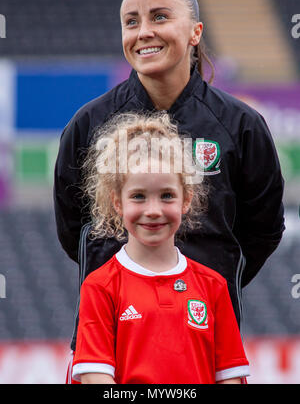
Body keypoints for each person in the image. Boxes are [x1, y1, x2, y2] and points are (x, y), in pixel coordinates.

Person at [53, 0, 285, 348]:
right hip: (112, 336)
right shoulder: (89, 125)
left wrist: (207, 280)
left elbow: (264, 229)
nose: (143, 31)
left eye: (160, 17)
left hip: (204, 331)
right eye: (131, 22)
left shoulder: (242, 126)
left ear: (195, 32)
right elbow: (73, 228)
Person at [69, 111, 250, 384]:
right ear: (117, 202)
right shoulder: (99, 286)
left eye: (167, 196)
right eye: (138, 196)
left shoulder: (213, 286)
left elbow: (229, 377)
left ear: (186, 200)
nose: (153, 211)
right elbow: (96, 377)